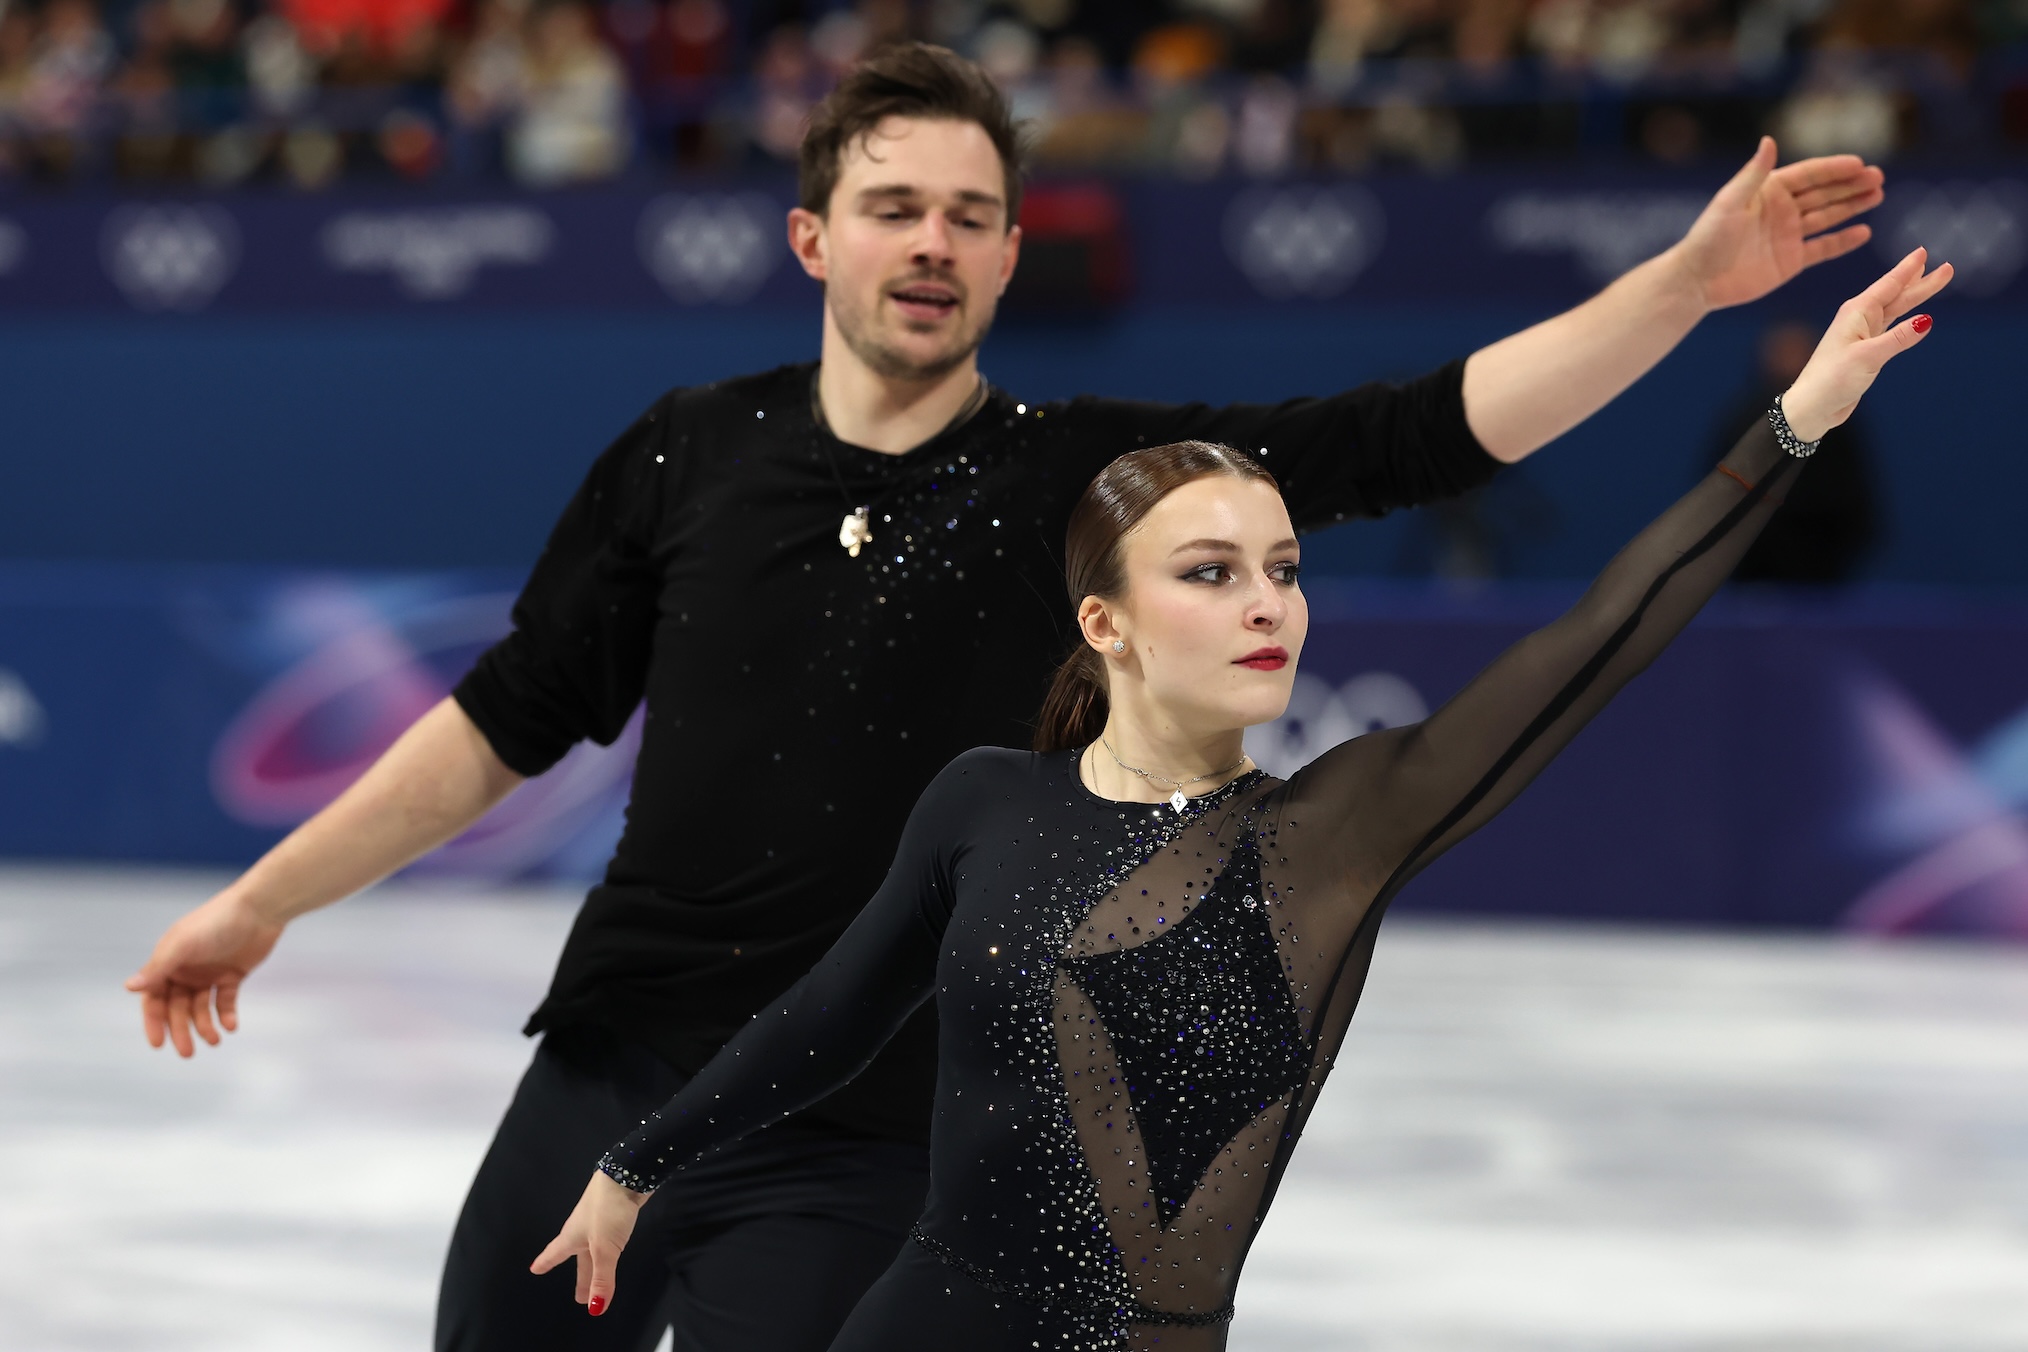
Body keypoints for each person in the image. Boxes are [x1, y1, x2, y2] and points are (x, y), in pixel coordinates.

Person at [122, 41, 1894, 1352]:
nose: (932, 242)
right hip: (616, 1063)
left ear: (1006, 256)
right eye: (893, 207)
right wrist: (264, 902)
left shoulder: (1082, 481)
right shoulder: (688, 452)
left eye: (970, 216)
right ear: (812, 237)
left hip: (860, 1130)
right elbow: (506, 720)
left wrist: (1685, 286)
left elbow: (1413, 435)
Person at [534, 247, 1949, 1349]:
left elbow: (1603, 635)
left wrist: (1793, 425)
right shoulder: (981, 802)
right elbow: (831, 1016)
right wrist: (634, 1166)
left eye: (1283, 568)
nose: (1267, 602)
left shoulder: (1336, 830)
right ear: (1107, 623)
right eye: (1211, 573)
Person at [1708, 317, 1882, 583]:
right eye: (1783, 352)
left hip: (1820, 564)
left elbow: (1853, 496)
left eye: (1798, 351)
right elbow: (1720, 492)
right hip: (1753, 565)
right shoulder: (1744, 420)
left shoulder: (1838, 423)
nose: (1790, 361)